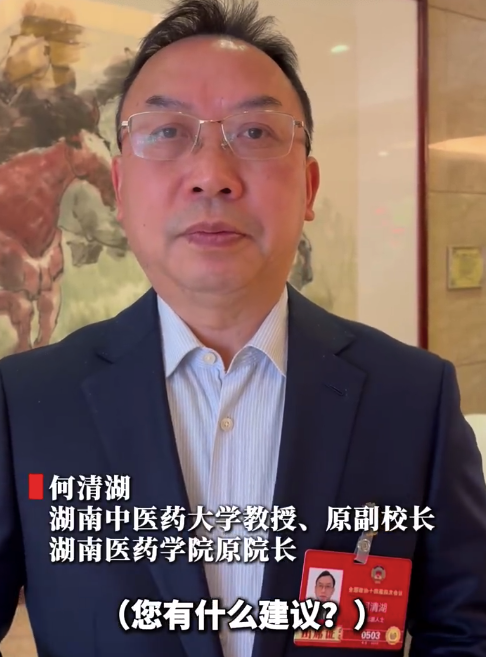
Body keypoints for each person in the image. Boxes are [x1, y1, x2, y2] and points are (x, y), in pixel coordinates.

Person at [1, 0, 486, 656]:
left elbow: (464, 631)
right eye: (167, 132)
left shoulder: (412, 397)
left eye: (255, 132)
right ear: (119, 187)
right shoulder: (27, 404)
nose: (211, 176)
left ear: (308, 187)